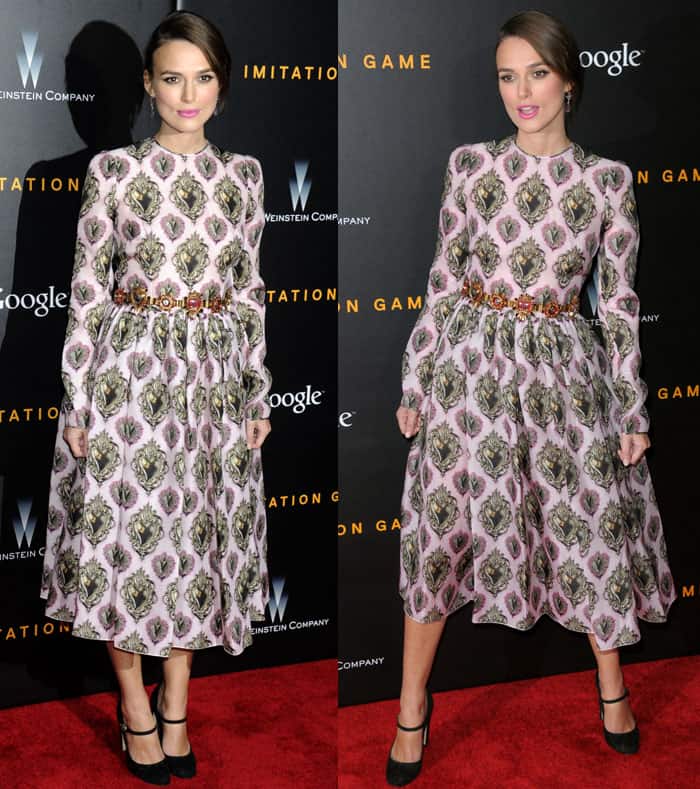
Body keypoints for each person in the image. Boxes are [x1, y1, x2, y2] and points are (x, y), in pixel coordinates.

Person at [387, 10, 676, 785]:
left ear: (568, 81)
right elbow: (443, 282)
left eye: (537, 73)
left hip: (563, 379)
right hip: (469, 372)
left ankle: (612, 689)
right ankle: (411, 705)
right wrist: (417, 375)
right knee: (438, 534)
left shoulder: (606, 181)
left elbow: (619, 306)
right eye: (507, 76)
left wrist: (631, 409)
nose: (522, 91)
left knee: (592, 532)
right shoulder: (471, 166)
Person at [40, 11, 272, 785]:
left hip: (212, 381)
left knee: (196, 546)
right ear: (147, 84)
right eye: (172, 78)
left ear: (222, 87)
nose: (187, 94)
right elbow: (87, 293)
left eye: (203, 78)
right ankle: (135, 707)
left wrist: (256, 392)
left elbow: (249, 293)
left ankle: (177, 705)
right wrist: (79, 400)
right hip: (128, 377)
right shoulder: (113, 172)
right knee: (124, 547)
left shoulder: (244, 176)